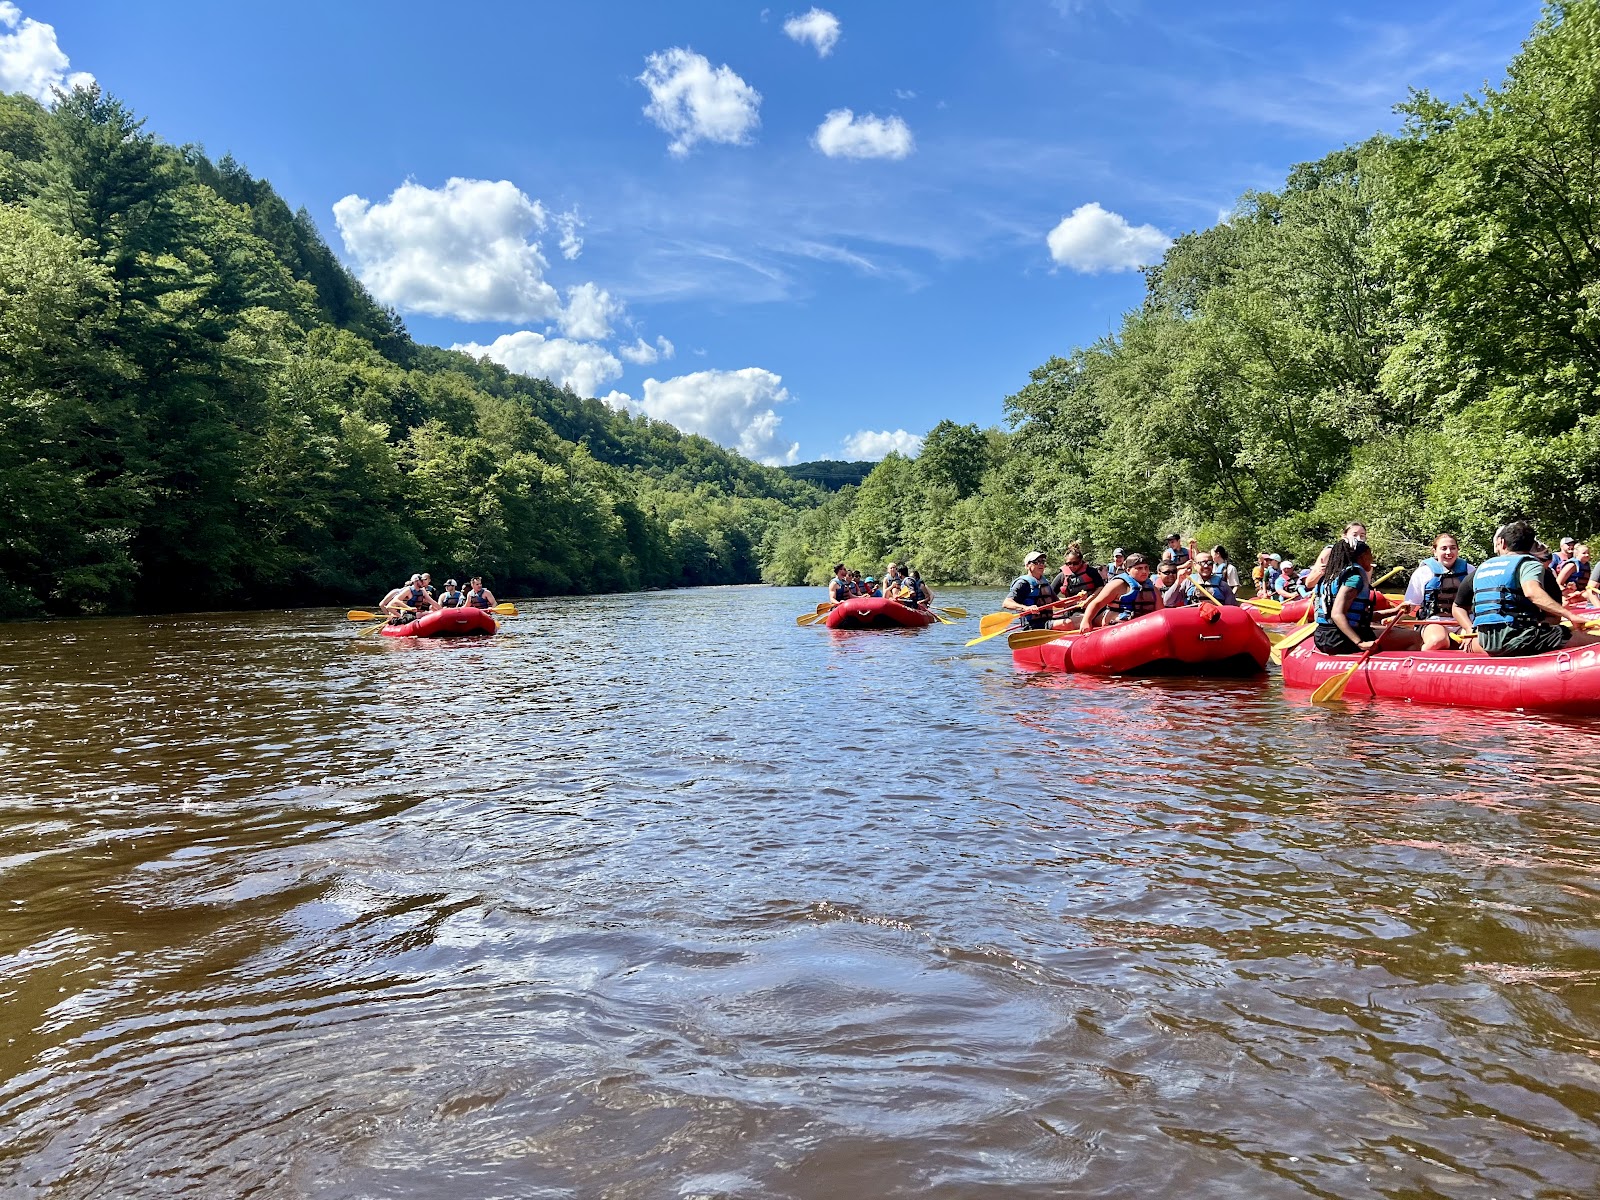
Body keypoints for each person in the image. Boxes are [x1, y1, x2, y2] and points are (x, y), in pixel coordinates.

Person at [1453, 521, 1598, 657]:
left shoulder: (1481, 568)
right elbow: (1532, 592)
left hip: (1485, 640)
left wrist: (1470, 629)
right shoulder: (1531, 565)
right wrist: (1570, 616)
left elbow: (1458, 606)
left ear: (1502, 542)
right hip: (1517, 637)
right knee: (1587, 639)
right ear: (1531, 545)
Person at [1312, 538, 1410, 655]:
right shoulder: (1353, 579)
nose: (1372, 558)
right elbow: (1337, 614)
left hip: (1323, 636)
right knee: (1414, 637)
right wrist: (1360, 643)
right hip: (1340, 639)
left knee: (1391, 631)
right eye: (1370, 554)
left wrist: (1395, 611)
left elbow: (1359, 617)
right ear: (1362, 556)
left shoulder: (1330, 577)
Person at [1402, 534, 1473, 651]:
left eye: (1453, 548)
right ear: (1435, 551)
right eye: (1444, 548)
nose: (1449, 552)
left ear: (1457, 550)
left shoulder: (1470, 570)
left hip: (1464, 622)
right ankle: (1420, 655)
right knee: (1438, 641)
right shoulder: (1423, 572)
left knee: (1476, 642)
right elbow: (1411, 604)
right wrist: (1394, 616)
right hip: (1434, 622)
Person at [1082, 553, 1160, 627]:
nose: (1144, 571)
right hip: (1117, 626)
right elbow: (1097, 603)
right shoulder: (1117, 584)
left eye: (1146, 568)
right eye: (1139, 568)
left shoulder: (1153, 588)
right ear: (1128, 570)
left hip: (1144, 626)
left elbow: (1160, 611)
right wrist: (1086, 621)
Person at [1304, 522, 1368, 592]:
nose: (1358, 538)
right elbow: (1309, 584)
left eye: (1362, 536)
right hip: (1326, 596)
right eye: (1354, 535)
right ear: (1344, 536)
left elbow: (1366, 585)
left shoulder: (1365, 557)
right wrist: (1320, 572)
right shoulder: (1330, 552)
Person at [1003, 551, 1057, 630]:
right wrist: (1026, 608)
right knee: (1070, 623)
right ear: (1027, 566)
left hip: (1048, 621)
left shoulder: (1044, 582)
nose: (1041, 564)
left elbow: (1058, 603)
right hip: (1032, 625)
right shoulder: (1022, 583)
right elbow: (1006, 603)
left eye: (1042, 562)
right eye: (1037, 562)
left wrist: (1075, 600)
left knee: (1075, 618)